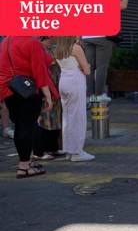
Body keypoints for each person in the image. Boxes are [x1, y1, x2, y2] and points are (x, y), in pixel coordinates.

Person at [0, 36, 59, 178]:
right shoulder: (32, 43)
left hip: (8, 89)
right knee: (27, 127)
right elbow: (40, 72)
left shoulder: (5, 41)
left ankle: (27, 162)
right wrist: (49, 97)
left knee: (20, 127)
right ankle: (24, 167)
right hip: (28, 89)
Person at [82, 0, 130, 101]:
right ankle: (99, 95)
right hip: (102, 37)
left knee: (89, 67)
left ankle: (89, 96)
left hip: (86, 37)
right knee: (102, 66)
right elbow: (123, 6)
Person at [54, 36, 94, 162]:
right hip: (75, 80)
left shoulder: (58, 49)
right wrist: (87, 65)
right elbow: (86, 70)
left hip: (63, 80)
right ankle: (77, 152)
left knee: (67, 117)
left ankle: (69, 150)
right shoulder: (76, 48)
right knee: (78, 117)